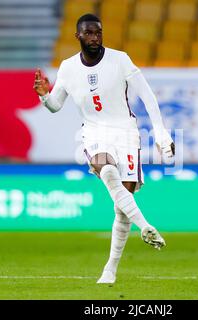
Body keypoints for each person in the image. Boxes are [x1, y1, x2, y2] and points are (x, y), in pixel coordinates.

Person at [33, 14, 175, 284]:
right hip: (94, 132)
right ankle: (145, 226)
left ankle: (110, 269)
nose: (95, 37)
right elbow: (55, 105)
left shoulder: (120, 59)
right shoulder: (68, 68)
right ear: (78, 37)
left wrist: (160, 131)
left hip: (127, 132)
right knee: (107, 170)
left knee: (122, 209)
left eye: (98, 32)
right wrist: (43, 96)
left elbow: (147, 95)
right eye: (88, 33)